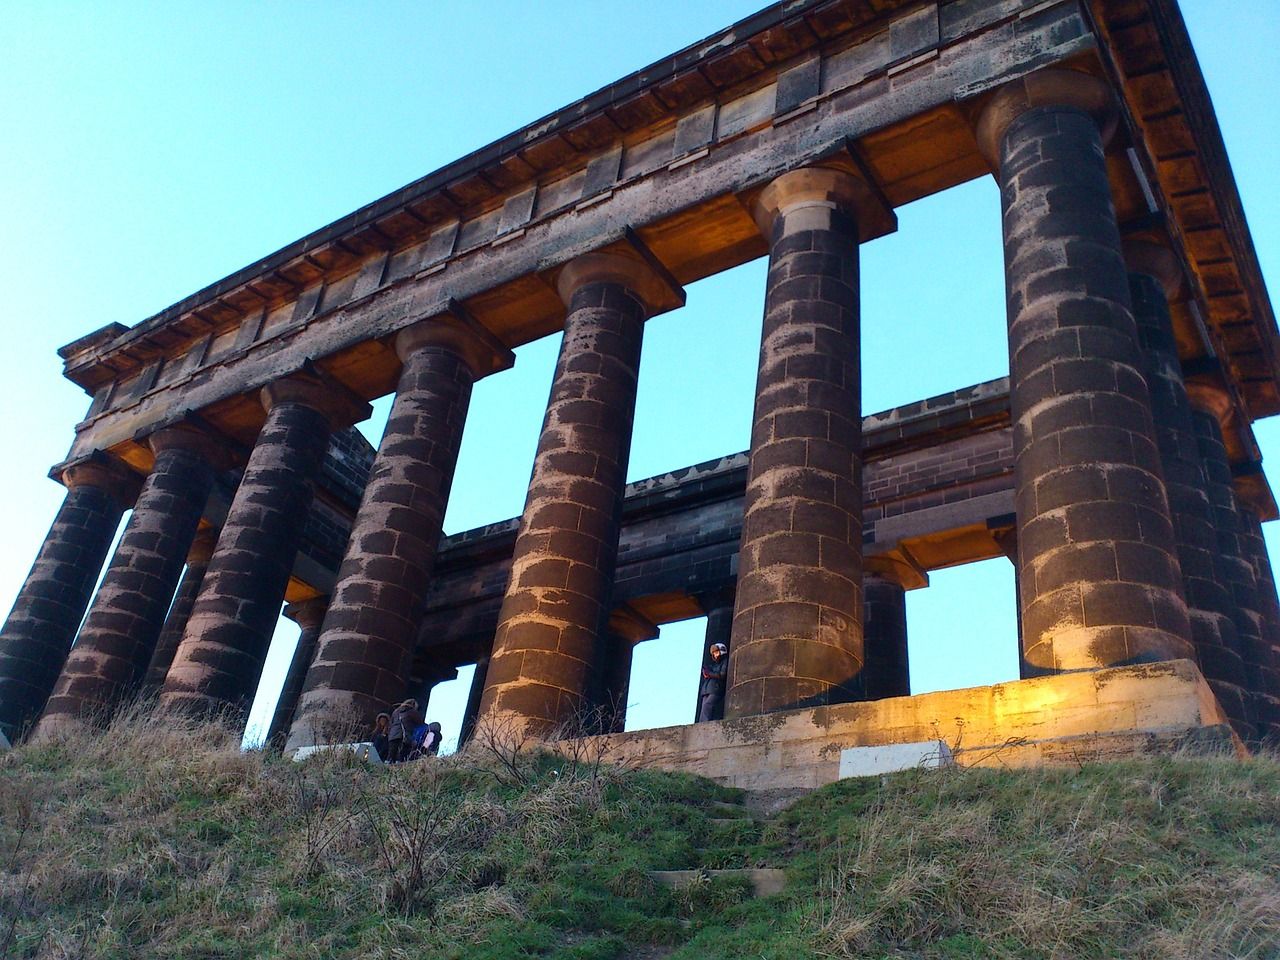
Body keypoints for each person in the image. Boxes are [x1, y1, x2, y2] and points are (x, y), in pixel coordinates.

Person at [697, 642, 728, 722]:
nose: (715, 655)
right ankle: (702, 723)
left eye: (716, 652)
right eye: (714, 653)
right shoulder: (713, 665)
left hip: (716, 688)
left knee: (707, 705)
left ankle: (704, 724)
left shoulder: (725, 662)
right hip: (707, 689)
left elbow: (722, 674)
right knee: (703, 707)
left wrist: (709, 674)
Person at [386, 698, 419, 763]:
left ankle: (386, 765)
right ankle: (398, 766)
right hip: (403, 734)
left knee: (391, 752)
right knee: (401, 753)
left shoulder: (396, 711)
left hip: (393, 734)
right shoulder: (412, 711)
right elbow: (419, 722)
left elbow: (391, 722)